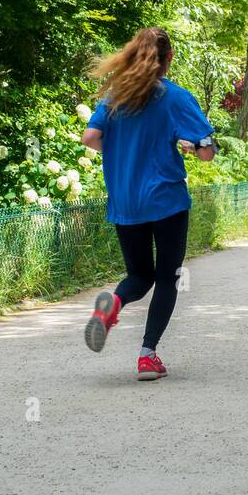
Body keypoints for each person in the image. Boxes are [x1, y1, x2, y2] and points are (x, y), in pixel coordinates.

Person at [80, 27, 218, 381]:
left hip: (125, 200)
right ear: (168, 58)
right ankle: (147, 356)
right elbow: (206, 152)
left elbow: (91, 138)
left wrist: (124, 153)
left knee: (138, 276)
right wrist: (190, 146)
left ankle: (112, 305)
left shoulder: (115, 96)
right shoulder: (176, 98)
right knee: (167, 277)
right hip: (166, 201)